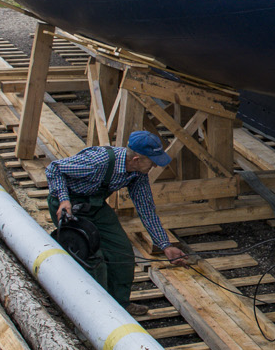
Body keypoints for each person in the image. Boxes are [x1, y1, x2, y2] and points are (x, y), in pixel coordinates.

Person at [45, 131, 189, 306]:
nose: (155, 166)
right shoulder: (98, 162)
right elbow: (54, 168)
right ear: (136, 159)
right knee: (92, 258)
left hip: (95, 206)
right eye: (152, 161)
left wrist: (165, 246)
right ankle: (97, 308)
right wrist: (63, 199)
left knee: (122, 251)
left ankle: (120, 305)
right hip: (68, 206)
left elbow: (146, 210)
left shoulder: (137, 174)